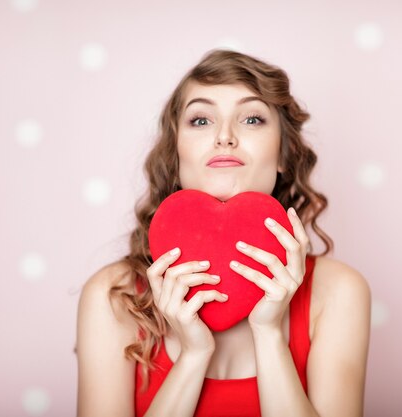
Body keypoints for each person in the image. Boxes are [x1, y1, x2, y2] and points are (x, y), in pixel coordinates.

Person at [75, 49, 371, 417]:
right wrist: (194, 355)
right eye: (201, 120)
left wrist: (269, 334)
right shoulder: (112, 297)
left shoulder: (338, 291)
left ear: (282, 154)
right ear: (176, 151)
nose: (225, 137)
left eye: (251, 119)